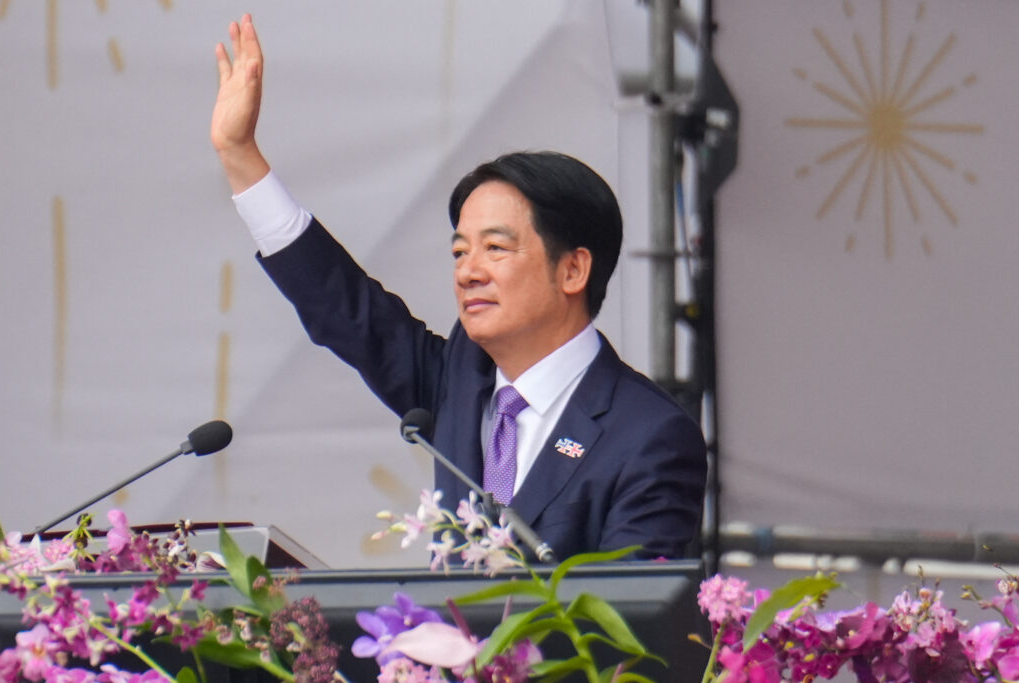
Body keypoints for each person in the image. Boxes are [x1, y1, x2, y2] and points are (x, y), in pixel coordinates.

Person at [212, 14, 706, 561]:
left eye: (495, 248)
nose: (468, 271)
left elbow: (635, 626)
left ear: (573, 270)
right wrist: (240, 156)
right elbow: (345, 310)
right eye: (458, 251)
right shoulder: (462, 381)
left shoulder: (650, 436)